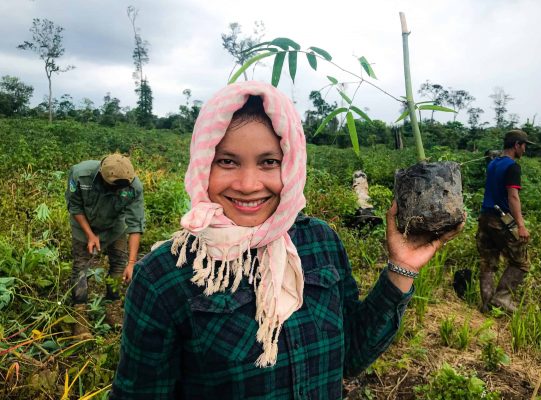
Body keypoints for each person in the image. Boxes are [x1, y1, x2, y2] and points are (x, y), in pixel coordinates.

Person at [110, 82, 461, 399]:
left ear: (292, 164)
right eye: (227, 161)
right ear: (203, 165)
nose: (248, 184)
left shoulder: (319, 242)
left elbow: (350, 356)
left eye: (269, 162)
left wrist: (402, 270)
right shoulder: (166, 276)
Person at [66, 153, 145, 338]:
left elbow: (135, 225)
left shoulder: (134, 187)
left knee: (119, 263)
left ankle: (113, 308)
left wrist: (132, 263)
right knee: (81, 267)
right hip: (83, 223)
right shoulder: (80, 174)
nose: (119, 190)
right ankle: (80, 316)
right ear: (103, 176)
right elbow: (75, 207)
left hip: (114, 226)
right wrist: (90, 235)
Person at [477, 129, 533, 313]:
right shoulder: (512, 167)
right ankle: (502, 298)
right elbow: (513, 197)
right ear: (517, 145)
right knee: (521, 263)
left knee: (488, 261)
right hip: (501, 219)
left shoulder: (493, 163)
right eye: (524, 146)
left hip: (485, 217)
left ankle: (487, 304)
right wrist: (521, 225)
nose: (525, 150)